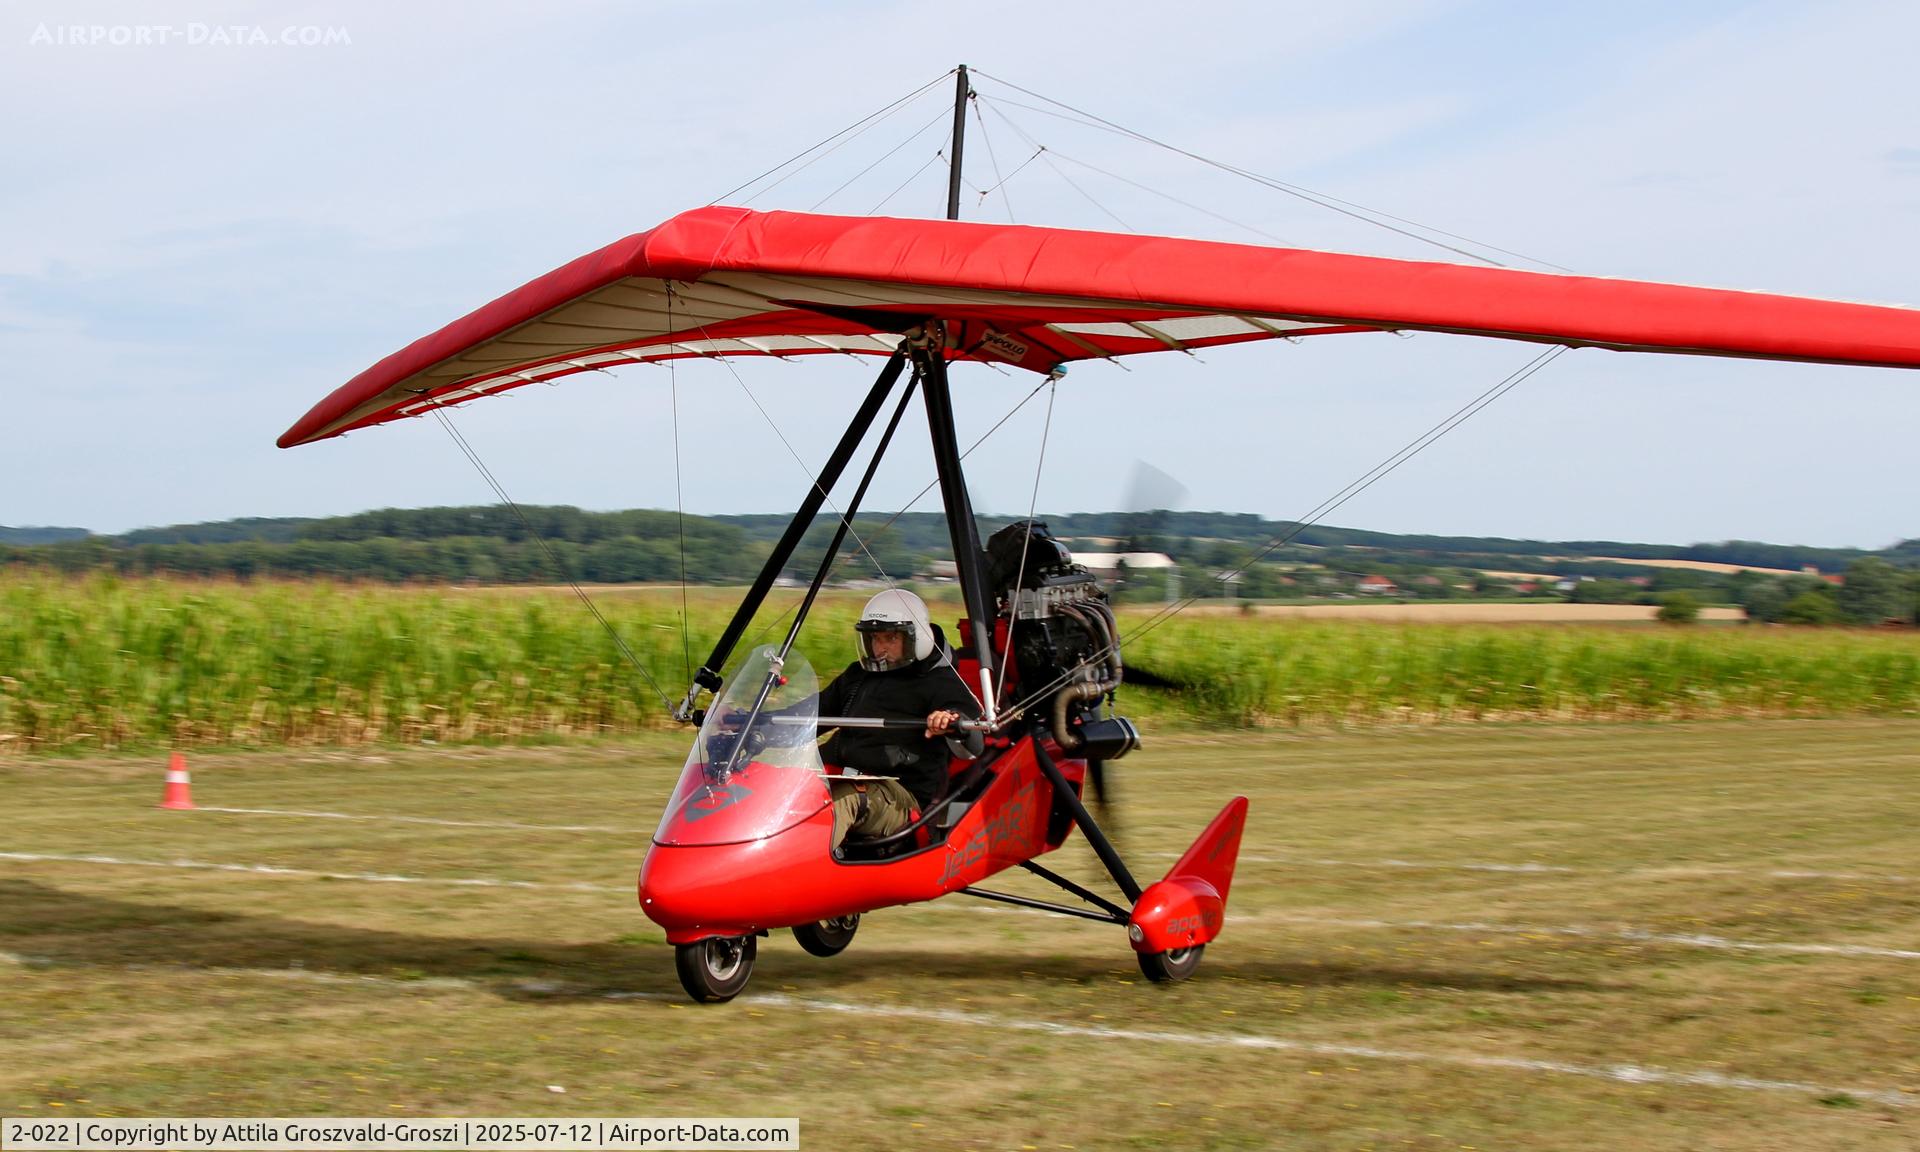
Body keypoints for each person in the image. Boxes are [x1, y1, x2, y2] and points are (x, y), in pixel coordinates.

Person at [816, 588, 982, 852]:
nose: (880, 647)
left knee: (842, 799)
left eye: (891, 638)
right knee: (776, 785)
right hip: (841, 774)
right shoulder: (858, 676)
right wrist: (758, 722)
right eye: (875, 638)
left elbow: (969, 727)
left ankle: (794, 869)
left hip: (901, 797)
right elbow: (814, 713)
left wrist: (949, 719)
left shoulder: (940, 681)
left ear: (916, 638)